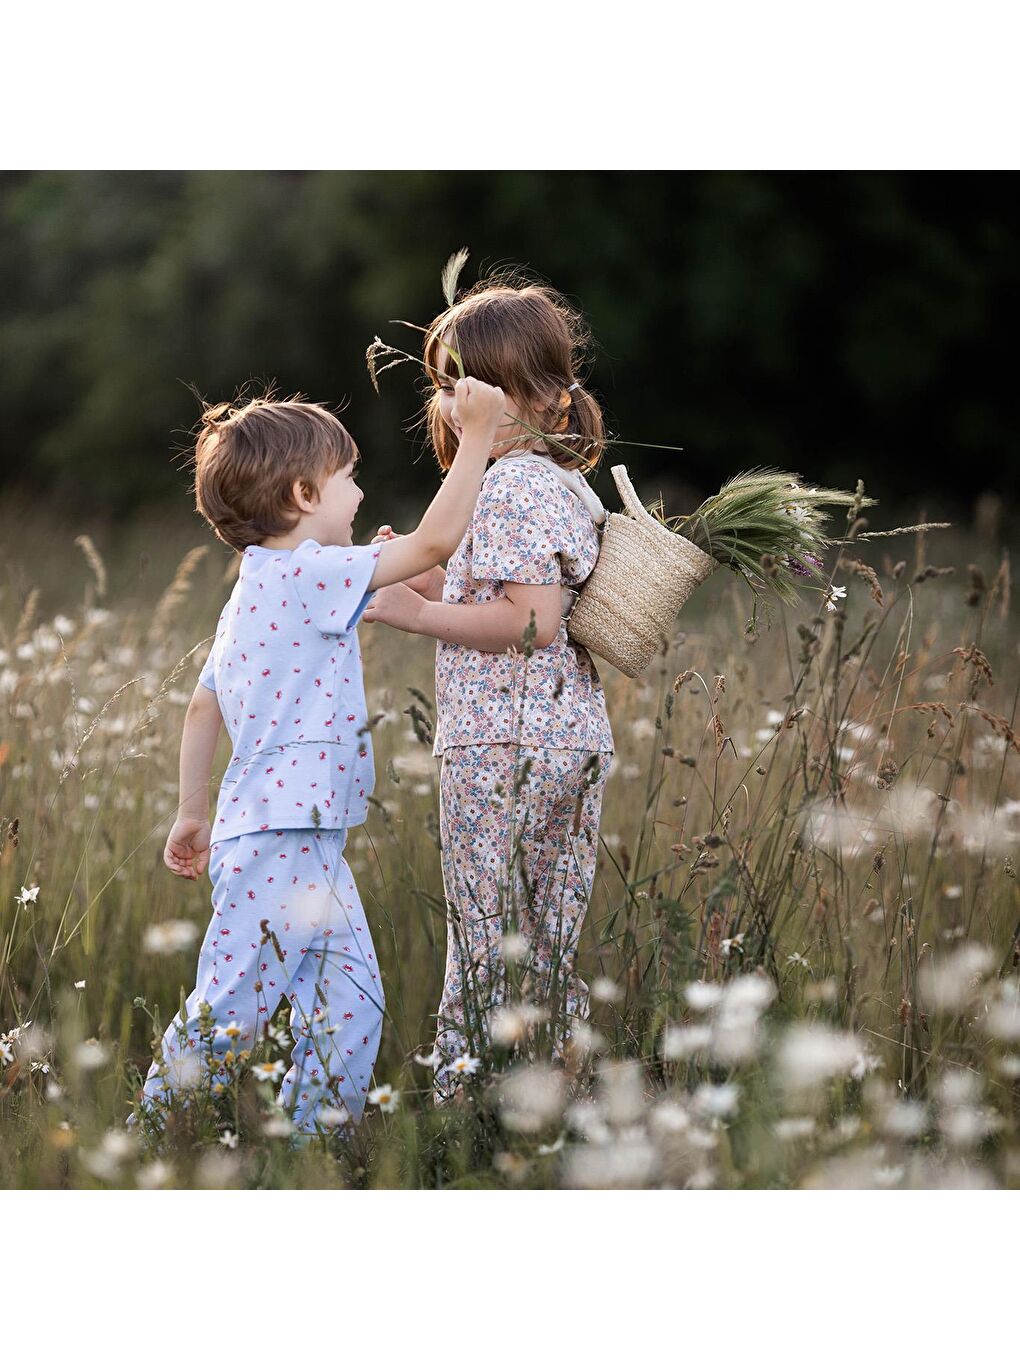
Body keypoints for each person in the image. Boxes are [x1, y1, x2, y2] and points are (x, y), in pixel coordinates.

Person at [137, 379, 504, 1137]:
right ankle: (148, 1133)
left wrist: (193, 808)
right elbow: (433, 545)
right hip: (280, 842)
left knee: (351, 1007)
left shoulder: (253, 589)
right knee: (231, 1008)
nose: (361, 491)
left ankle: (308, 1150)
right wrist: (475, 440)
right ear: (304, 494)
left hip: (299, 840)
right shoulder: (307, 573)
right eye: (349, 478)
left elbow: (203, 705)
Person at [363, 275, 615, 1102]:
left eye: (474, 387)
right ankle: (557, 1103)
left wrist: (410, 613)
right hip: (567, 741)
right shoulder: (560, 483)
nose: (457, 405)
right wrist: (437, 588)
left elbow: (527, 622)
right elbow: (505, 600)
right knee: (541, 951)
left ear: (542, 397)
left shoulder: (507, 486)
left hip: (502, 745)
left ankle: (462, 1120)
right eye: (446, 387)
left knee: (480, 947)